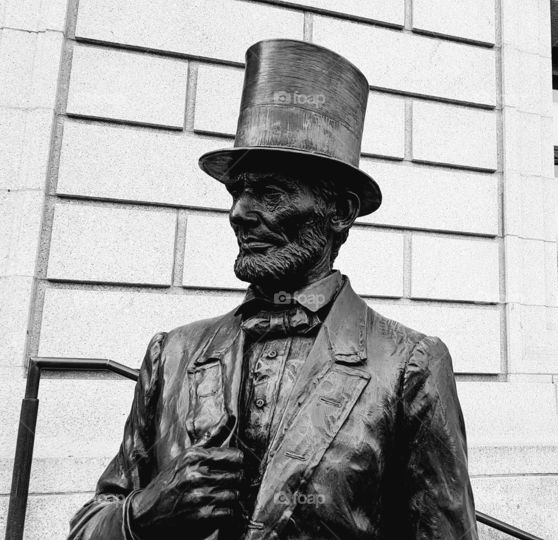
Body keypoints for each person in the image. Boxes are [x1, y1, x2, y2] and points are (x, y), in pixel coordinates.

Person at [68, 39, 478, 540]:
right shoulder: (171, 353)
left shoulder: (409, 366)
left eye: (271, 192)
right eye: (237, 191)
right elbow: (89, 526)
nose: (240, 212)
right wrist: (142, 513)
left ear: (340, 212)